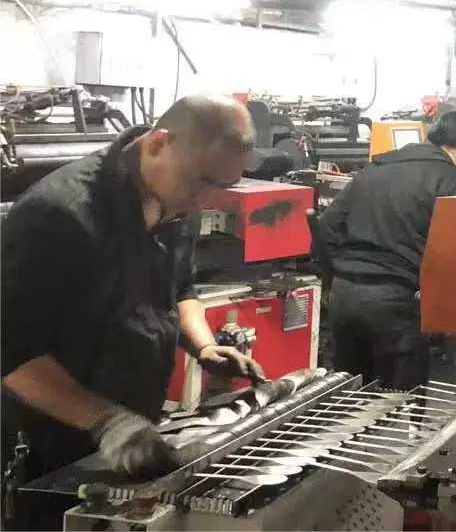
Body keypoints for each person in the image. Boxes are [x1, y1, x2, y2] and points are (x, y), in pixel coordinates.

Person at [1, 95, 266, 528]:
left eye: (221, 186)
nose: (205, 199)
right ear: (158, 143)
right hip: (50, 446)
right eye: (201, 181)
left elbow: (180, 288)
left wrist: (203, 345)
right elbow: (12, 354)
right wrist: (107, 423)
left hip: (134, 429)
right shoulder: (58, 214)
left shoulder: (179, 203)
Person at [317, 109, 456, 389]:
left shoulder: (375, 168)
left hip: (345, 297)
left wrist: (334, 279)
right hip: (396, 304)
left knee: (349, 394)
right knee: (399, 402)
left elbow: (327, 227)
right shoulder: (450, 181)